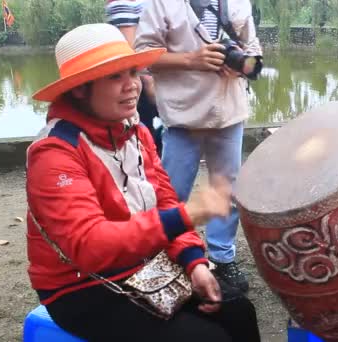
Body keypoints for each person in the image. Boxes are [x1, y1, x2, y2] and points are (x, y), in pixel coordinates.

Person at [26, 23, 260, 341]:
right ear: (80, 88)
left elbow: (165, 200)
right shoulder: (54, 154)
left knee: (238, 310)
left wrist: (194, 262)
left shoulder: (136, 132)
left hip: (142, 265)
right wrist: (186, 215)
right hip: (81, 286)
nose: (132, 86)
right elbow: (90, 246)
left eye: (133, 73)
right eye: (114, 77)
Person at [135, 0, 262, 292]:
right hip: (183, 115)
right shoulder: (161, 4)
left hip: (228, 111)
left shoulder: (238, 3)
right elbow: (142, 56)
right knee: (172, 191)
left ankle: (221, 256)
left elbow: (254, 51)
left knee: (226, 189)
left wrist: (243, 66)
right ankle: (166, 252)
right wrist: (192, 59)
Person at [105, 0, 162, 153]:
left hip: (162, 77)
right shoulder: (124, 2)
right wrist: (149, 84)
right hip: (143, 82)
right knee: (141, 140)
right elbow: (130, 51)